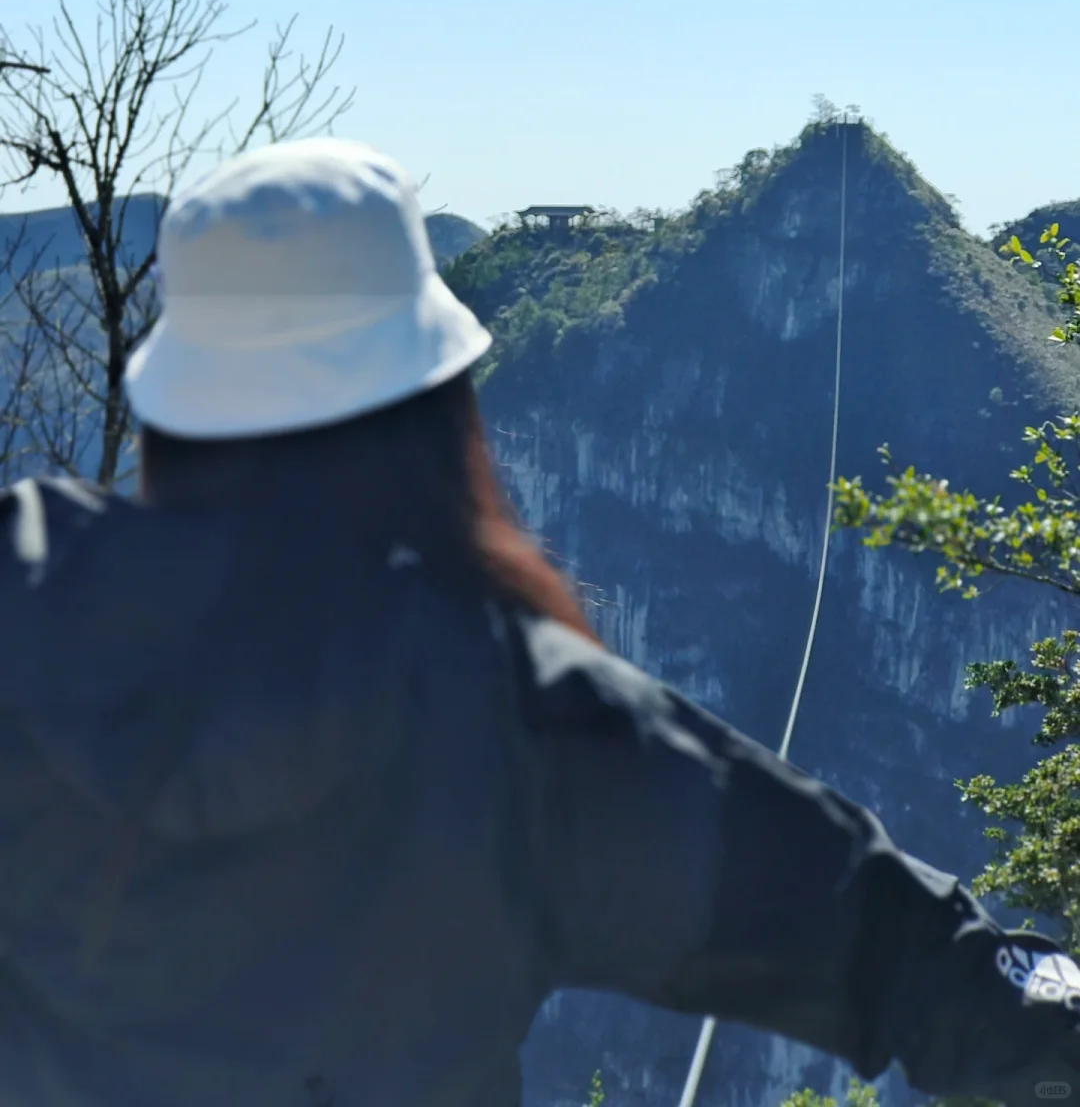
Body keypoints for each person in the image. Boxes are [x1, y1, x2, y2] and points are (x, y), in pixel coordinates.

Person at [0, 138, 1078, 1107]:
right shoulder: (510, 721)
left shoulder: (23, 575)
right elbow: (869, 933)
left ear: (179, 403)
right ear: (435, 409)